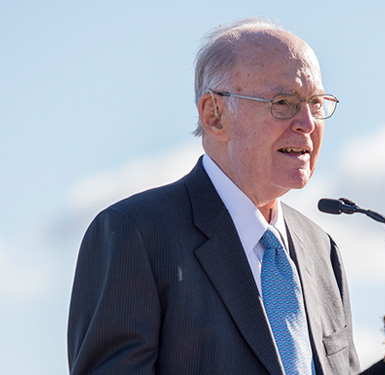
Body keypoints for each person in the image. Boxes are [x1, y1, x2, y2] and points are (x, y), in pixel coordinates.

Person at [67, 17, 360, 375]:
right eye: (283, 102)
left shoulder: (321, 249)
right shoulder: (136, 233)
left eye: (315, 103)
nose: (307, 123)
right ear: (215, 115)